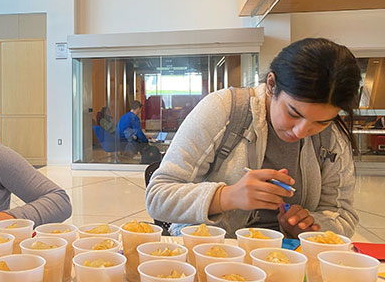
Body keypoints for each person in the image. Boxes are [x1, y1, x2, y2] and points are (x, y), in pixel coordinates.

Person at [146, 38, 361, 238]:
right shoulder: (225, 109)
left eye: (321, 122)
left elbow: (342, 216)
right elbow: (157, 196)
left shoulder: (332, 137)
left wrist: (309, 225)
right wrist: (226, 196)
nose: (300, 131)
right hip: (211, 251)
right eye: (293, 114)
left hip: (284, 259)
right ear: (271, 85)